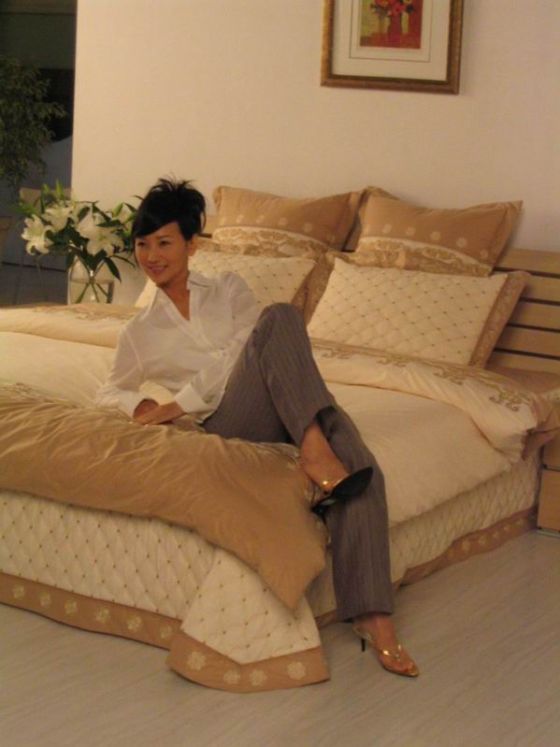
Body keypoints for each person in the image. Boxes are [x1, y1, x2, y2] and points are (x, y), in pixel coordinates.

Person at [96, 177, 419, 678]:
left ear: (192, 245)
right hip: (229, 418)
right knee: (288, 332)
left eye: (164, 242)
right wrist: (145, 405)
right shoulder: (140, 331)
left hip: (279, 398)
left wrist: (183, 396)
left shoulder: (228, 289)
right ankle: (314, 445)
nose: (151, 256)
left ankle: (373, 615)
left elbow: (246, 352)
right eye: (142, 245)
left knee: (355, 460)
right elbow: (109, 390)